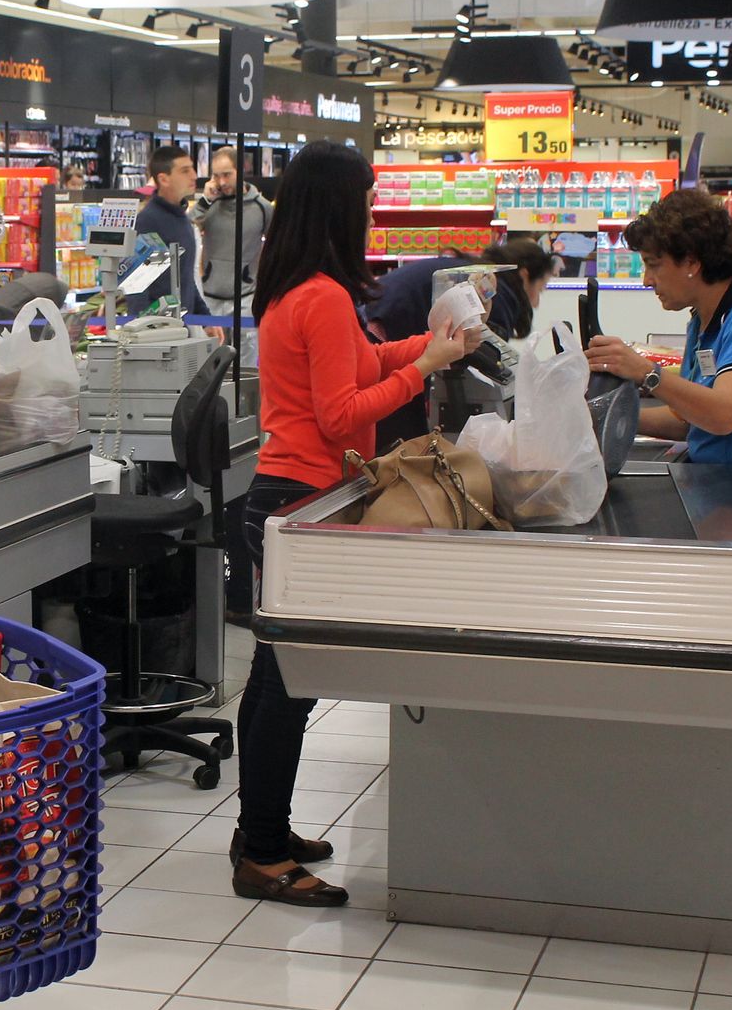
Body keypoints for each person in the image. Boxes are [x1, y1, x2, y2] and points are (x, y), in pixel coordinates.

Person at [232, 140, 477, 906]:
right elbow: (342, 412)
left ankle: (260, 829)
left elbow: (357, 366)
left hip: (281, 496)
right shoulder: (326, 296)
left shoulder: (293, 289)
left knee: (276, 680)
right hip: (298, 503)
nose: (370, 215)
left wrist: (430, 348)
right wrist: (423, 370)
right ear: (341, 207)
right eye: (365, 201)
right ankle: (264, 851)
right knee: (284, 685)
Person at [585, 188, 732, 466]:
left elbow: (723, 415)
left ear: (691, 262)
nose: (646, 281)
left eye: (653, 265)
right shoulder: (704, 319)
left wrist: (645, 372)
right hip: (727, 478)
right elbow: (691, 421)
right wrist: (603, 415)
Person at [368, 238, 554, 445]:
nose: (536, 302)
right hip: (385, 330)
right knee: (404, 438)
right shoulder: (500, 293)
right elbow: (489, 357)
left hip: (377, 321)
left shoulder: (471, 273)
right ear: (525, 275)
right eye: (541, 288)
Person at [190, 146, 272, 316]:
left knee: (245, 343)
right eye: (216, 176)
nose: (221, 182)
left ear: (240, 171)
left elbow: (276, 246)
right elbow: (186, 230)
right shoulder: (207, 204)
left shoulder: (262, 207)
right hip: (209, 297)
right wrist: (204, 202)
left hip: (247, 298)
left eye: (227, 175)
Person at [133, 145, 205, 315]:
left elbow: (185, 277)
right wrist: (143, 333)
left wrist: (204, 316)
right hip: (161, 332)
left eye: (192, 169)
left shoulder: (180, 216)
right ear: (164, 179)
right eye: (185, 171)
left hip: (180, 328)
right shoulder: (150, 221)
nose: (194, 175)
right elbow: (139, 286)